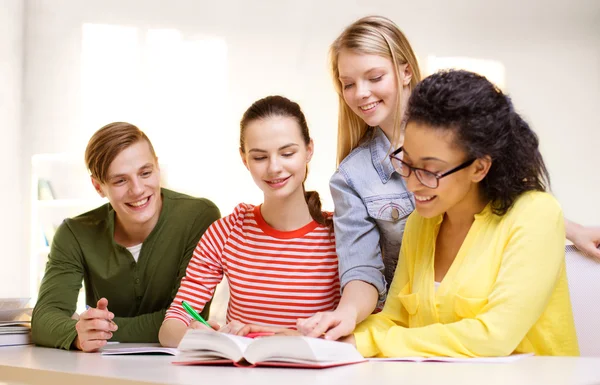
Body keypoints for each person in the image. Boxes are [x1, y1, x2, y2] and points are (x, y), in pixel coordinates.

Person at [297, 15, 599, 341]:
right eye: (348, 84)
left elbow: (510, 199)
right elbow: (364, 272)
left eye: (374, 77)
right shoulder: (376, 192)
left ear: (404, 71)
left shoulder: (466, 127)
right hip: (421, 344)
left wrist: (567, 227)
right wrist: (347, 319)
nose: (361, 93)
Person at [348, 69, 579, 357]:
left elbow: (495, 336)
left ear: (479, 167)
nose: (410, 182)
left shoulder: (536, 215)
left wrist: (370, 343)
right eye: (406, 162)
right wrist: (328, 338)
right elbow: (394, 321)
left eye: (430, 170)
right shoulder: (422, 221)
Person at [158, 95, 340, 347]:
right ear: (244, 159)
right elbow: (172, 325)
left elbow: (368, 327)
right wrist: (201, 336)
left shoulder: (340, 235)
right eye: (259, 157)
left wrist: (292, 338)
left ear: (309, 150)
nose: (274, 167)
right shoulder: (226, 232)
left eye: (287, 153)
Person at [31, 122, 220, 352]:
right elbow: (44, 319)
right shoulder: (75, 233)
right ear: (98, 186)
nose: (138, 189)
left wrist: (98, 330)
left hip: (181, 368)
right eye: (120, 180)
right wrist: (78, 334)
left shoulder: (198, 217)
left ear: (158, 168)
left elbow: (188, 317)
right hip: (101, 371)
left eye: (146, 173)